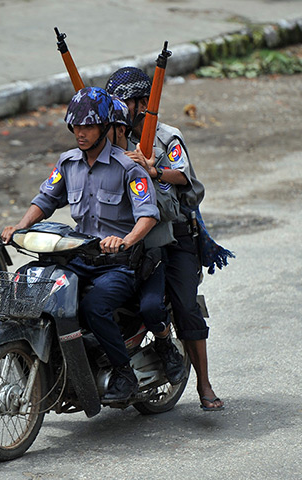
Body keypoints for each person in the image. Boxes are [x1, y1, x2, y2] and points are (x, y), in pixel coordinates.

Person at [1, 87, 160, 403]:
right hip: (79, 257)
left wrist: (125, 240)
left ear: (103, 127)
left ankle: (124, 375)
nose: (80, 133)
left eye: (87, 127)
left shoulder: (128, 168)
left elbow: (148, 215)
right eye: (75, 126)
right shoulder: (67, 163)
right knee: (37, 294)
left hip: (118, 263)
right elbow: (46, 199)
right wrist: (21, 225)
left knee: (94, 307)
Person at [107, 66, 225, 411]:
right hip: (133, 235)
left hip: (175, 237)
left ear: (143, 103)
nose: (119, 109)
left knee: (185, 307)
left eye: (125, 102)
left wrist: (151, 168)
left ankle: (203, 384)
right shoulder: (113, 134)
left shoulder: (166, 136)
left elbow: (182, 175)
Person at [108, 94, 187, 387]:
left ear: (121, 129)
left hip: (147, 254)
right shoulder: (82, 161)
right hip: (105, 257)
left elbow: (167, 209)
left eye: (108, 128)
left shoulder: (142, 157)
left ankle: (166, 348)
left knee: (151, 307)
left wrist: (151, 172)